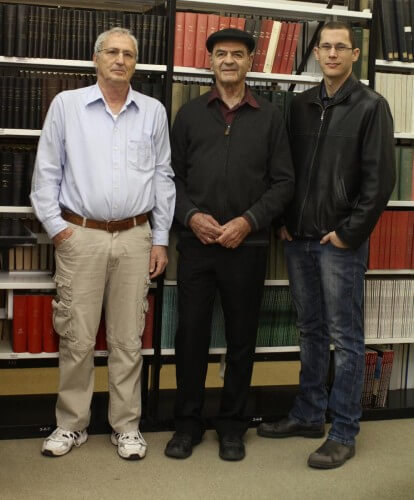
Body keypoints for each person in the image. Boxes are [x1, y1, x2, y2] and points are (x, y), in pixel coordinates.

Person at [30, 27, 175, 460]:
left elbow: (163, 178)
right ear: (96, 59)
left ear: (135, 63)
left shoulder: (152, 112)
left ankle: (126, 426)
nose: (119, 59)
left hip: (135, 237)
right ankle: (70, 424)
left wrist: (160, 239)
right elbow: (46, 174)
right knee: (76, 336)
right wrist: (59, 230)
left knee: (128, 338)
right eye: (111, 52)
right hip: (82, 236)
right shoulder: (67, 106)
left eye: (128, 54)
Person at [257, 21, 395, 469]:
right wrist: (283, 221)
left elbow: (379, 183)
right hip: (298, 239)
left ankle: (344, 430)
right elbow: (283, 171)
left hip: (339, 244)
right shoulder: (297, 107)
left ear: (355, 54)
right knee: (310, 331)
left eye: (341, 47)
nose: (332, 53)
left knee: (346, 338)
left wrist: (348, 233)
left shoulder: (372, 106)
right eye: (325, 47)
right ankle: (308, 414)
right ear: (316, 53)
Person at [164, 28, 295, 462]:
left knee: (242, 340)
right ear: (210, 62)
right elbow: (172, 180)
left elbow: (283, 183)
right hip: (197, 245)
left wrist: (249, 221)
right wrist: (190, 217)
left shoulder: (271, 117)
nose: (229, 61)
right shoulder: (189, 115)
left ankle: (233, 425)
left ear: (250, 63)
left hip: (248, 245)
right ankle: (187, 424)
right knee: (191, 337)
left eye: (238, 54)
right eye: (221, 54)